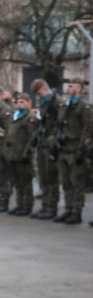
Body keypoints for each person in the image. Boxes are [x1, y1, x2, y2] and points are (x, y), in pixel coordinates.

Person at [53, 77, 92, 224]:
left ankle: (77, 211)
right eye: (68, 86)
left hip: (75, 149)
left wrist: (82, 149)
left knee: (77, 183)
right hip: (63, 149)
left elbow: (87, 128)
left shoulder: (83, 106)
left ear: (79, 88)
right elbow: (59, 125)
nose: (69, 88)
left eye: (72, 86)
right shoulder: (65, 105)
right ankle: (68, 208)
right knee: (66, 182)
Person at [29, 78, 61, 219]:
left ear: (43, 89)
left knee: (51, 177)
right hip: (42, 144)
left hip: (51, 144)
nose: (37, 96)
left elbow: (59, 124)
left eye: (38, 93)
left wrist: (52, 140)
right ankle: (45, 206)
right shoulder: (44, 102)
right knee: (43, 177)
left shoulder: (56, 102)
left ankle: (51, 207)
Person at [4, 92, 37, 216]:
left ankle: (27, 205)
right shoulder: (15, 115)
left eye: (22, 102)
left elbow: (32, 137)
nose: (19, 104)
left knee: (26, 182)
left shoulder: (30, 117)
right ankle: (19, 204)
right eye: (18, 102)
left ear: (28, 103)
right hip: (13, 154)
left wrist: (27, 153)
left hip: (23, 155)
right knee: (16, 182)